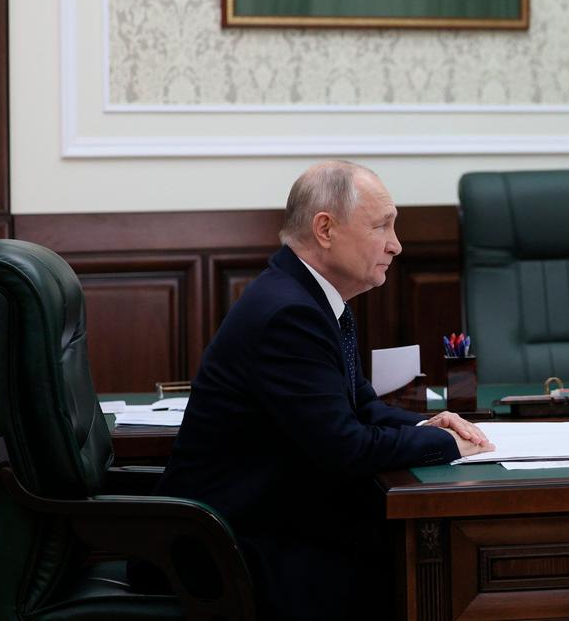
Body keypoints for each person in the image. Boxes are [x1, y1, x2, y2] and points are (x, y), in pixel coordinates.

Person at [154, 160, 493, 619]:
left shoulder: (312, 298)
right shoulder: (289, 314)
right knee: (440, 571)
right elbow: (345, 448)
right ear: (325, 229)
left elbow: (363, 407)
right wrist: (443, 444)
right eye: (381, 227)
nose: (396, 245)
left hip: (278, 521)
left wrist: (427, 423)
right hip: (236, 547)